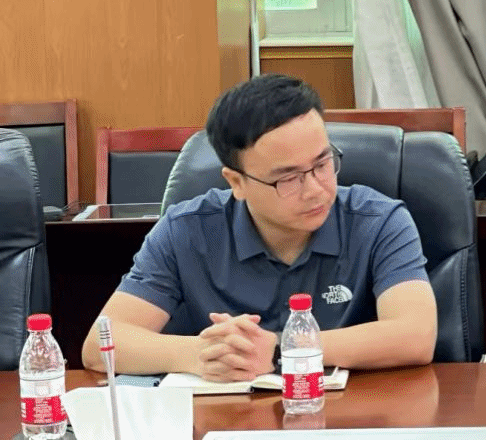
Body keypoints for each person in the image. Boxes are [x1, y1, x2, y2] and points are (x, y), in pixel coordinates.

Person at [81, 74, 437, 380]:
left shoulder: (379, 222)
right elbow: (99, 346)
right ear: (236, 182)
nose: (315, 189)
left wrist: (281, 349)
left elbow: (417, 335)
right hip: (225, 420)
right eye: (288, 179)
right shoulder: (186, 231)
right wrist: (203, 354)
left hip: (347, 417)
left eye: (322, 163)